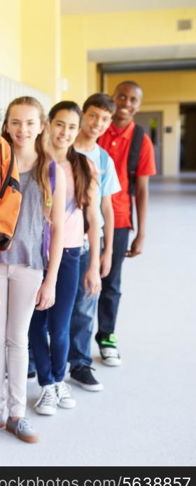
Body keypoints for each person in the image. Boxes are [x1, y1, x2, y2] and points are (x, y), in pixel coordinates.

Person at [0, 97, 65, 440]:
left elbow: (57, 228)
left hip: (30, 266)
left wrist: (52, 279)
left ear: (41, 125)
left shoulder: (52, 169)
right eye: (15, 122)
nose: (22, 129)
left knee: (18, 340)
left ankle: (16, 413)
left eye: (29, 123)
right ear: (6, 124)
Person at [28, 101, 100, 416]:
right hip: (32, 255)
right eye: (60, 124)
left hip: (70, 254)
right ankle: (46, 384)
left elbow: (94, 220)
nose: (65, 132)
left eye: (72, 127)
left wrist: (95, 264)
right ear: (48, 124)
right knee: (33, 325)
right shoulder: (33, 163)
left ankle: (59, 379)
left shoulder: (84, 166)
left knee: (59, 325)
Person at [96, 81, 156, 366]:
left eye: (133, 99)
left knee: (111, 281)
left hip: (119, 219)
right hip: (84, 216)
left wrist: (141, 233)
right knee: (78, 278)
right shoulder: (97, 128)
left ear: (138, 105)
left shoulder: (141, 139)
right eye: (121, 96)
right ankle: (71, 339)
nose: (126, 103)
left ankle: (107, 335)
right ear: (113, 98)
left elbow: (142, 189)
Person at [68, 93, 122, 390]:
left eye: (104, 119)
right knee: (48, 304)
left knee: (85, 304)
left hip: (89, 242)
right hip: (58, 239)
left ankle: (80, 364)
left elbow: (106, 208)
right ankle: (40, 362)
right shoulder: (61, 147)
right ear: (83, 115)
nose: (97, 123)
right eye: (92, 116)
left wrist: (107, 251)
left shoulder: (103, 159)